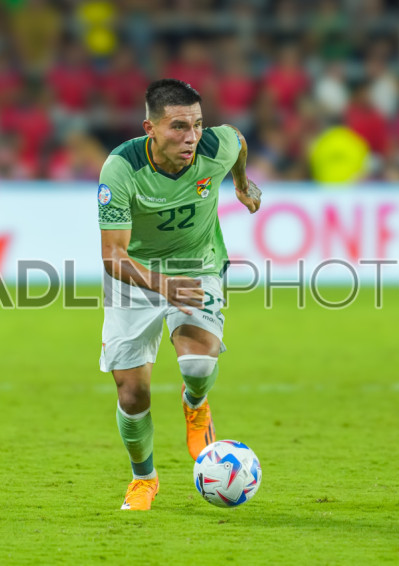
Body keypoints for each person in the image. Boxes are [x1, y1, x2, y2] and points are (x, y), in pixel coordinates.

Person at [97, 78, 261, 511]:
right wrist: (163, 286)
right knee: (132, 394)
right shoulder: (121, 168)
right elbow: (112, 256)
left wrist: (242, 183)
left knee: (198, 363)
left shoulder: (215, 147)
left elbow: (238, 139)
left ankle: (196, 403)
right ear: (150, 129)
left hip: (197, 265)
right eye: (179, 127)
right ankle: (143, 480)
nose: (192, 137)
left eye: (197, 124)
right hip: (135, 274)